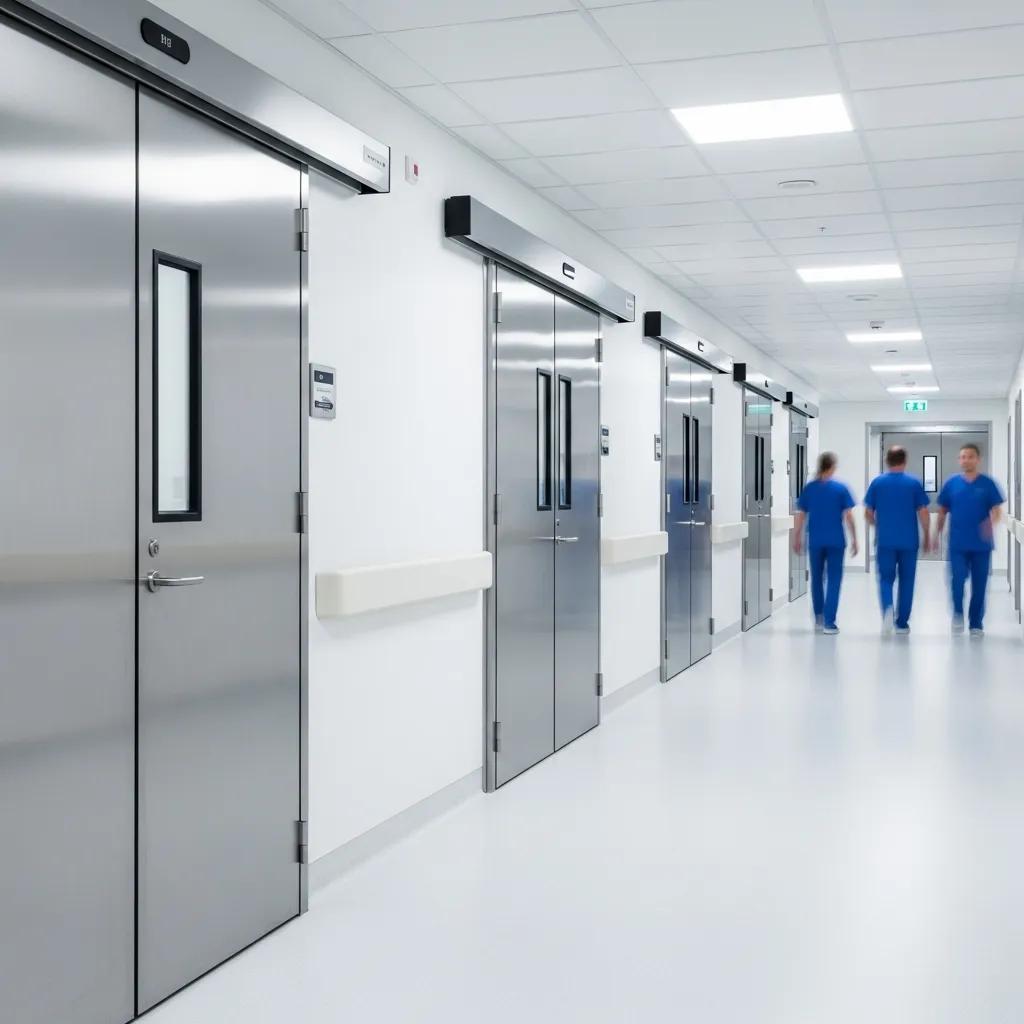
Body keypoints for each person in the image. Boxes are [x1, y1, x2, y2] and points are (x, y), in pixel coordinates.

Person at [936, 443, 1005, 636]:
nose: (966, 460)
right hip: (957, 544)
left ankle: (975, 622)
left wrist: (990, 524)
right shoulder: (951, 483)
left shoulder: (988, 484)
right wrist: (936, 533)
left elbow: (997, 511)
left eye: (970, 456)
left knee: (980, 584)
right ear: (959, 460)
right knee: (957, 581)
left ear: (978, 459)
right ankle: (958, 613)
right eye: (963, 457)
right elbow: (942, 510)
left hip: (981, 545)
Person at [864, 445, 931, 635]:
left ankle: (887, 609)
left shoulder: (877, 483)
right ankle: (902, 623)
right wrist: (927, 535)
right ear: (905, 460)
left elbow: (868, 512)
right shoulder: (913, 483)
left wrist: (877, 526)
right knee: (907, 581)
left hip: (885, 540)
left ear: (887, 460)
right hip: (909, 541)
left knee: (885, 579)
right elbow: (924, 511)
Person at [793, 452, 858, 635]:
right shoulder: (840, 488)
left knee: (816, 579)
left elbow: (801, 515)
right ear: (832, 467)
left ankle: (819, 617)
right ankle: (830, 622)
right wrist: (855, 539)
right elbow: (849, 516)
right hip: (836, 541)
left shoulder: (809, 489)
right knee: (834, 579)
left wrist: (796, 537)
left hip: (815, 540)